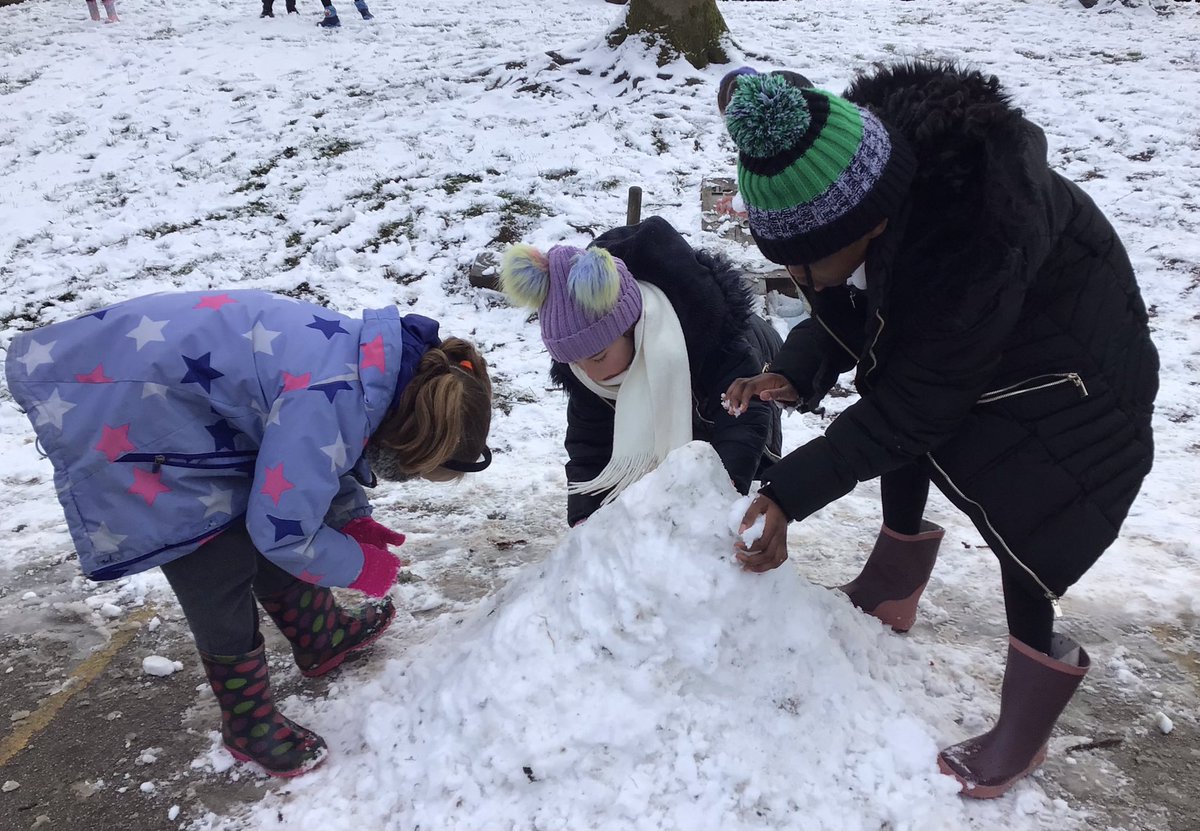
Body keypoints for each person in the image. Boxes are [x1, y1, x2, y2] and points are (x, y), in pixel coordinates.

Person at [719, 63, 1157, 798]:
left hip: (1072, 377)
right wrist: (796, 369)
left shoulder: (969, 240)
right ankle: (894, 586)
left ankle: (1025, 724)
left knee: (1030, 511)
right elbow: (856, 309)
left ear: (868, 224)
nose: (802, 277)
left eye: (806, 263)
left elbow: (913, 407)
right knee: (896, 384)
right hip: (983, 344)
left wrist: (789, 492)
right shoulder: (865, 185)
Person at [4, 289, 493, 777]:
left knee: (267, 506)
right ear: (408, 437)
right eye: (412, 470)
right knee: (216, 561)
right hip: (128, 416)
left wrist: (351, 519)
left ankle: (319, 635)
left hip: (177, 397)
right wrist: (361, 566)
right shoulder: (328, 399)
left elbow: (318, 462)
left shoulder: (375, 372)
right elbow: (287, 531)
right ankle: (247, 722)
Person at [500, 216, 782, 526]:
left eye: (598, 357)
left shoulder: (711, 337)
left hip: (755, 383)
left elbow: (743, 416)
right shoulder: (586, 375)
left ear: (632, 328)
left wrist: (725, 482)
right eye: (575, 363)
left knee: (736, 508)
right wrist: (586, 519)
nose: (588, 374)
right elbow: (589, 448)